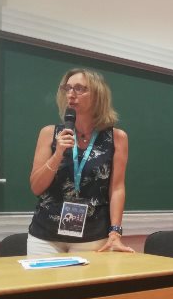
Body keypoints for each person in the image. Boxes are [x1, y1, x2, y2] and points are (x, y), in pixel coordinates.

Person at [27, 68, 134, 255]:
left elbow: (117, 189)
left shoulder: (117, 138)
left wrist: (115, 232)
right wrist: (58, 153)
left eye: (79, 88)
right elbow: (36, 187)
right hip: (45, 237)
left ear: (97, 95)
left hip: (93, 237)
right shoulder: (49, 134)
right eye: (67, 88)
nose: (71, 94)